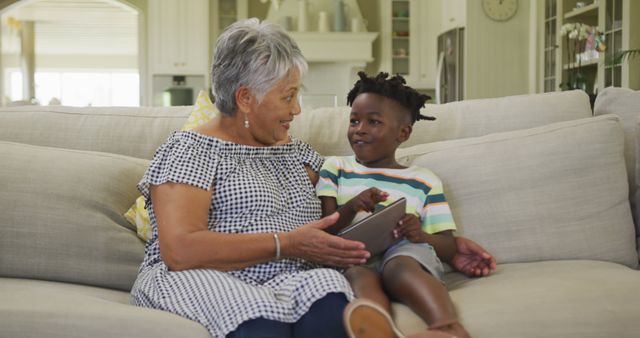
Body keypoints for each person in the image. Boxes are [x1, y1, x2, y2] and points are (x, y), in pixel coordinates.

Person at [130, 18, 494, 338]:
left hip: (293, 274)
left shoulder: (296, 152)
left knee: (332, 302)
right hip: (207, 276)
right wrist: (288, 244)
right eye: (288, 96)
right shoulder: (191, 151)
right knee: (263, 325)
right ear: (245, 98)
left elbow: (361, 194)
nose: (297, 109)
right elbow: (180, 251)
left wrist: (447, 244)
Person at [316, 72, 494, 338]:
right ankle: (379, 330)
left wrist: (418, 234)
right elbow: (326, 228)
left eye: (373, 122)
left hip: (405, 255)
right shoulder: (335, 168)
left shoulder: (423, 180)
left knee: (400, 265)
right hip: (354, 257)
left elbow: (447, 246)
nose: (360, 129)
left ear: (403, 133)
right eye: (354, 120)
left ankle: (448, 327)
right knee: (359, 275)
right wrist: (352, 207)